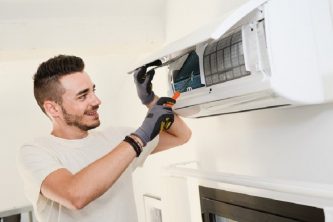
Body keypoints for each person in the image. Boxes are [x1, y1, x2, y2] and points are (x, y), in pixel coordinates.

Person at [17, 55, 191, 222]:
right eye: (83, 96)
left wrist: (151, 100)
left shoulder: (116, 138)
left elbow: (180, 135)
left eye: (93, 91)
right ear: (53, 109)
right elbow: (75, 196)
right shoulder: (36, 152)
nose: (97, 101)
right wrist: (140, 137)